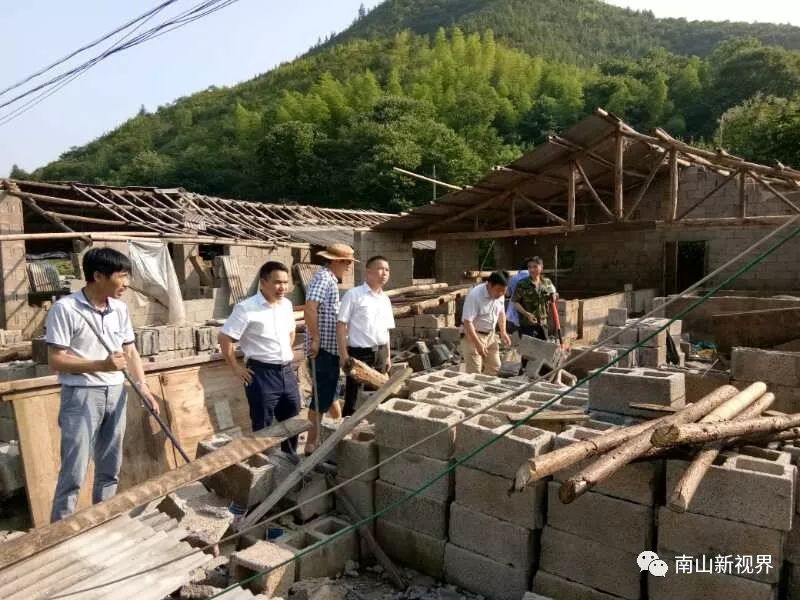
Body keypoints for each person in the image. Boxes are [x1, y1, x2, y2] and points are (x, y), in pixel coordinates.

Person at [46, 247, 158, 522]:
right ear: (98, 276)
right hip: (82, 395)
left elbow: (130, 351)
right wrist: (101, 366)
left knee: (110, 466)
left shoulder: (119, 309)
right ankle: (59, 532)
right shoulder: (66, 309)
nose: (127, 283)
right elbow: (56, 360)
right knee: (75, 468)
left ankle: (103, 520)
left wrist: (142, 386)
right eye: (121, 276)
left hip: (116, 392)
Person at [220, 261, 301, 457]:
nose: (283, 287)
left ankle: (289, 461)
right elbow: (225, 337)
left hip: (287, 372)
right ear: (263, 283)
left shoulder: (287, 305)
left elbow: (291, 332)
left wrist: (283, 354)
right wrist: (236, 369)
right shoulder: (246, 308)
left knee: (292, 419)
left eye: (285, 282)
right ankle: (265, 465)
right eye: (277, 282)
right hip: (262, 375)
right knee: (263, 424)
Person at [304, 243, 357, 453]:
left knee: (331, 393)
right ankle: (310, 444)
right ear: (336, 261)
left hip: (330, 349)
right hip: (323, 349)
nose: (349, 267)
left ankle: (335, 428)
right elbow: (310, 308)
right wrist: (315, 339)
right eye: (347, 262)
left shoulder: (330, 280)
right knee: (321, 398)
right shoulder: (323, 278)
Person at [337, 256, 395, 416]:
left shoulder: (385, 299)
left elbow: (386, 330)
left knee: (381, 398)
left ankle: (374, 433)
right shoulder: (354, 295)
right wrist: (344, 356)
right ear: (368, 272)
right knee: (353, 399)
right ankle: (346, 434)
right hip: (360, 354)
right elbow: (341, 325)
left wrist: (388, 356)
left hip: (381, 354)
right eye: (381, 269)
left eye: (387, 270)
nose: (385, 273)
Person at [460, 271, 512, 375]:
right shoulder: (475, 295)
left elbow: (501, 313)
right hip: (473, 336)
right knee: (474, 372)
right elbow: (467, 322)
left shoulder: (500, 294)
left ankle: (486, 389)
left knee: (495, 367)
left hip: (490, 335)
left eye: (503, 291)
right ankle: (473, 389)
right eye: (498, 290)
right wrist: (478, 344)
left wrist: (503, 332)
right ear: (489, 285)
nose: (501, 294)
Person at [511, 256, 557, 341]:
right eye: (529, 267)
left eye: (535, 266)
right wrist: (526, 314)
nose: (532, 270)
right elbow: (515, 303)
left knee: (543, 350)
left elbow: (553, 295)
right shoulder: (522, 284)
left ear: (541, 267)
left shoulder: (547, 282)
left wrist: (554, 295)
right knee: (528, 351)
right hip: (527, 324)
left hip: (543, 323)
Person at [505, 260, 531, 334]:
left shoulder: (513, 278)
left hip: (514, 312)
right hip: (530, 311)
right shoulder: (534, 278)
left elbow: (507, 294)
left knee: (515, 338)